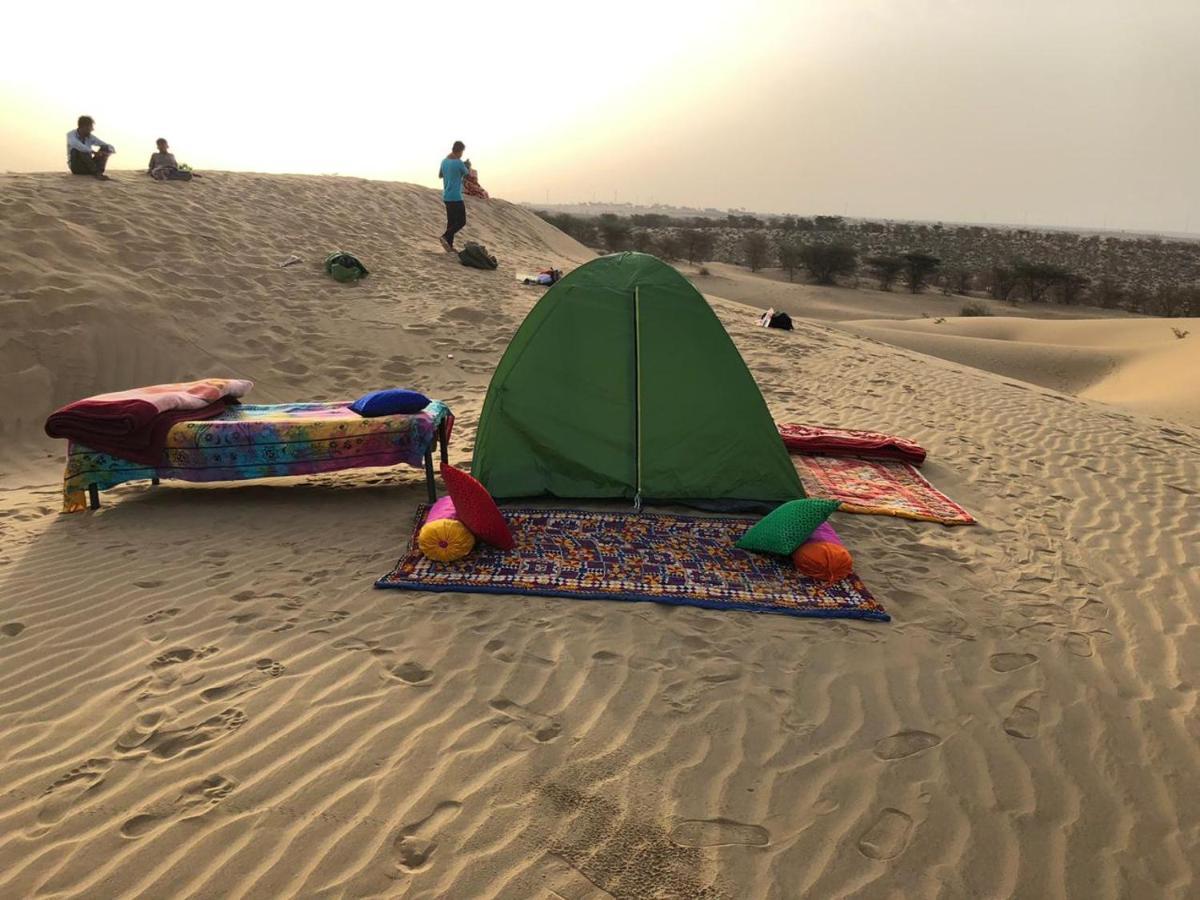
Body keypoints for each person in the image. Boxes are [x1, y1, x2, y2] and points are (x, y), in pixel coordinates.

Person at [438, 140, 471, 252]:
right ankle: (445, 236)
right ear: (460, 151)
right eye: (462, 152)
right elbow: (467, 175)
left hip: (447, 196)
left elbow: (440, 175)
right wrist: (467, 166)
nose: (462, 154)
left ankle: (449, 246)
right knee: (462, 221)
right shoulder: (458, 163)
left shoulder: (444, 161)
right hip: (456, 197)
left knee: (451, 221)